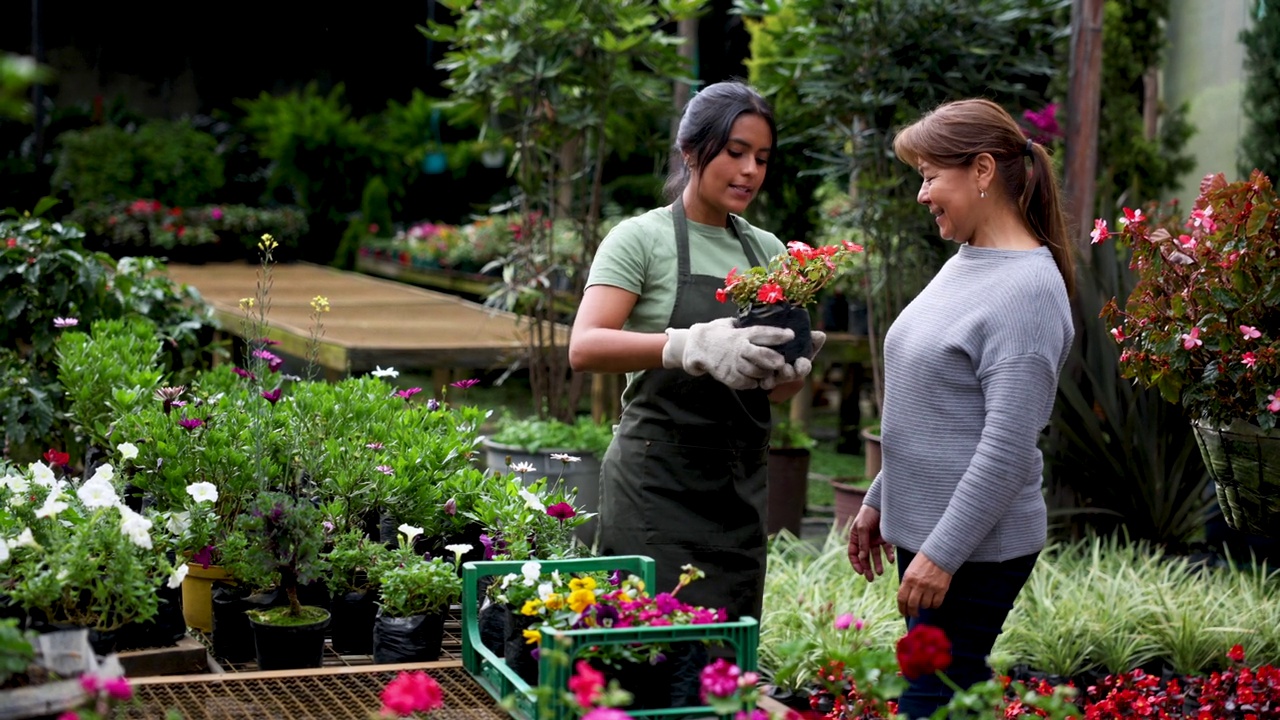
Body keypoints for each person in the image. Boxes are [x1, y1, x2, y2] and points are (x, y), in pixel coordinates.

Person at [846, 98, 1076, 718]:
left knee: (929, 703)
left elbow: (1004, 449)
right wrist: (878, 498)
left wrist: (942, 556)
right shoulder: (968, 262)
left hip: (977, 550)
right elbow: (938, 409)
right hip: (935, 539)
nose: (922, 195)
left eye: (929, 176)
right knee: (941, 701)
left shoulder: (1028, 290)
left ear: (981, 171)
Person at [569, 80, 823, 625]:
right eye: (735, 153)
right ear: (690, 152)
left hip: (737, 488)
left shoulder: (770, 251)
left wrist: (792, 368)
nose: (750, 170)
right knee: (641, 660)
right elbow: (585, 346)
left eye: (761, 158)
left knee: (721, 669)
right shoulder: (640, 239)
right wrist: (686, 345)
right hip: (655, 486)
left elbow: (776, 389)